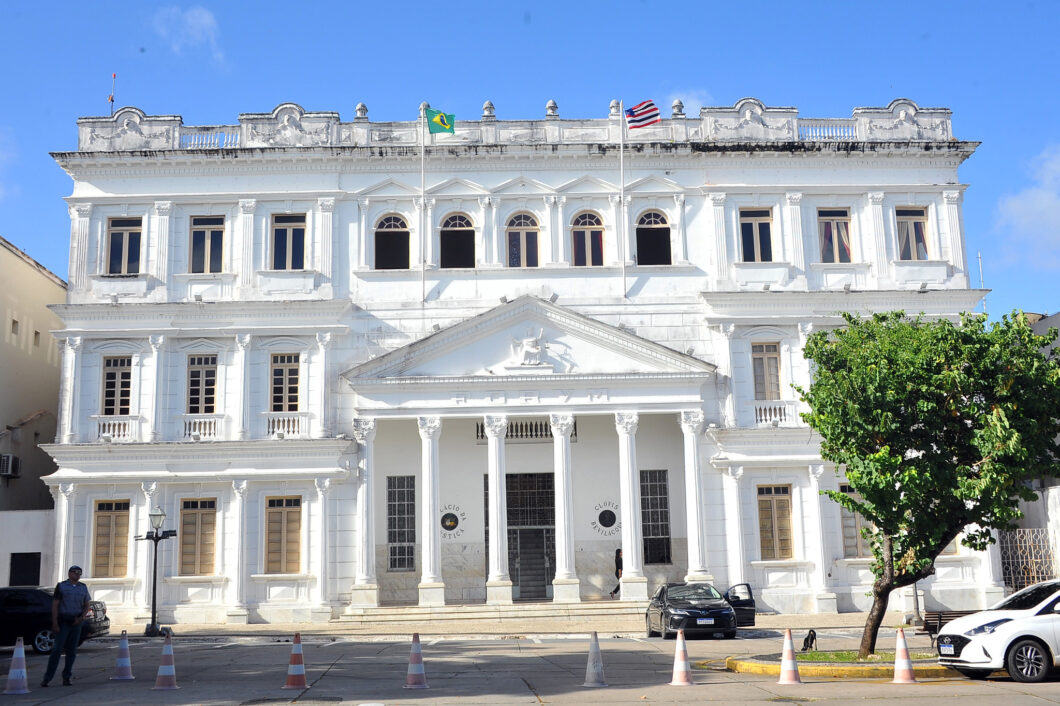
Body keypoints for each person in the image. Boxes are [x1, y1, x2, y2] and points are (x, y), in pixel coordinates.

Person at [40, 565, 91, 687]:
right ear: (69, 574)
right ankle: (47, 678)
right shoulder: (62, 586)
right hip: (63, 621)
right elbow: (55, 605)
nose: (77, 575)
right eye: (75, 573)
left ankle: (67, 677)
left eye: (79, 573)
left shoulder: (83, 587)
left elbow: (86, 604)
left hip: (76, 621)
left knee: (72, 651)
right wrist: (55, 623)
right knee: (57, 649)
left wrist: (81, 618)